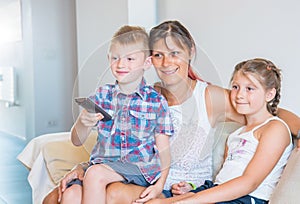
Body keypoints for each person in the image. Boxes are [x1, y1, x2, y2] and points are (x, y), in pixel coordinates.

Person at [43, 20, 300, 204]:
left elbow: (273, 114)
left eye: (175, 53)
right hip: (141, 176)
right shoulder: (147, 95)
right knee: (57, 197)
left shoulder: (210, 96)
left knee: (108, 194)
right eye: (158, 54)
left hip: (179, 189)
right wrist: (85, 166)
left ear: (191, 52)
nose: (166, 63)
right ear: (149, 59)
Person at [147, 58, 293, 204]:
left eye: (249, 89)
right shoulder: (236, 134)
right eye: (236, 87)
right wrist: (190, 189)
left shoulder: (275, 128)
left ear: (269, 94)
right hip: (220, 190)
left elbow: (249, 183)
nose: (240, 94)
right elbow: (223, 179)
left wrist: (188, 201)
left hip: (246, 198)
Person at [55, 25, 173, 204]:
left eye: (130, 59)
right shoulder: (102, 96)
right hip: (103, 165)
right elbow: (77, 141)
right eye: (115, 58)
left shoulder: (155, 101)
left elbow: (164, 151)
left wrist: (159, 186)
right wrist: (83, 123)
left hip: (138, 169)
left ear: (147, 63)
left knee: (95, 174)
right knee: (71, 195)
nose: (121, 64)